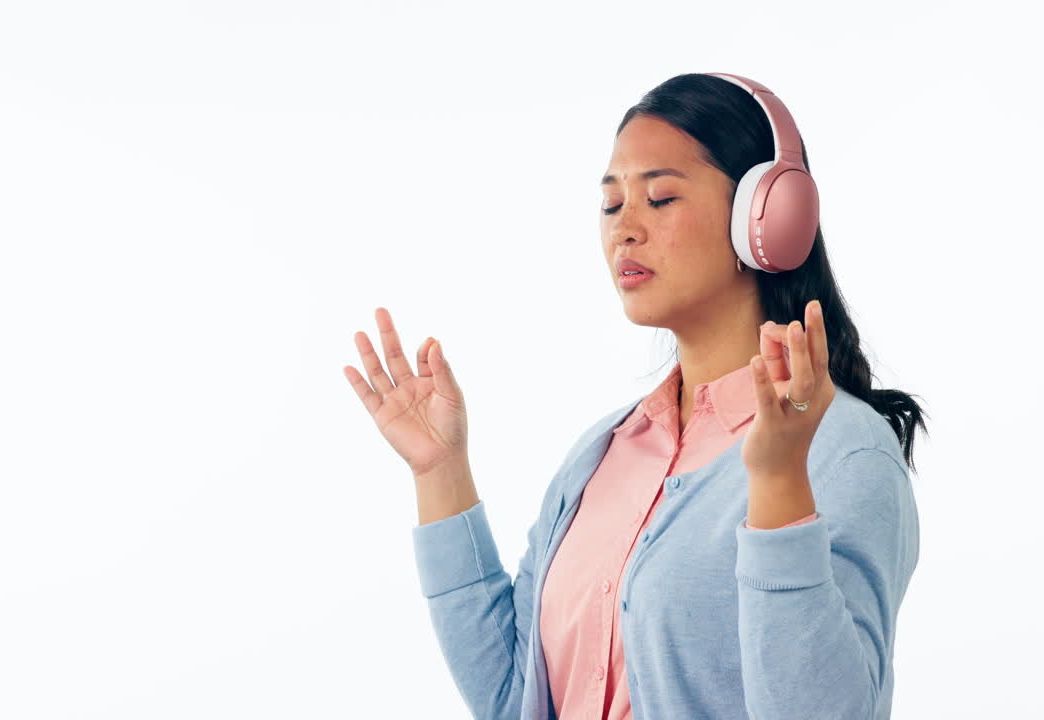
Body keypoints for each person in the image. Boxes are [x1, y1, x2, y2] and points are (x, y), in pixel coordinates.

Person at [342, 72, 927, 720]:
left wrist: (779, 480)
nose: (625, 229)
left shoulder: (842, 451)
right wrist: (441, 473)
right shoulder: (604, 453)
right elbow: (515, 701)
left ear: (767, 215)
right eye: (612, 204)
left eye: (661, 198)